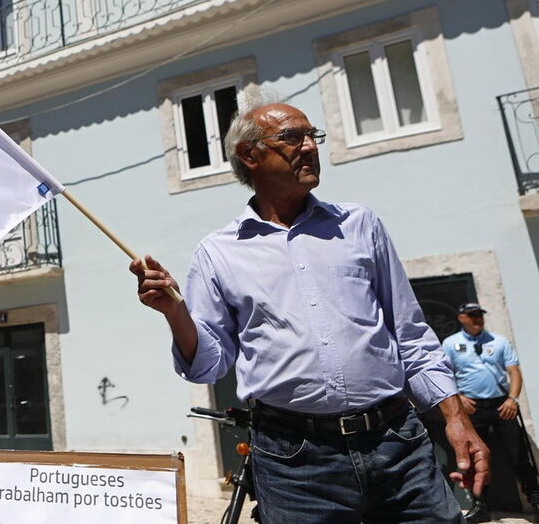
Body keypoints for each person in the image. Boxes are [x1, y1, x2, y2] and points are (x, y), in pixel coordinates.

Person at [130, 94, 489, 522]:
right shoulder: (217, 253)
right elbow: (207, 366)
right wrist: (175, 313)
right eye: (292, 137)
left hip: (397, 444)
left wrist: (455, 418)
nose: (310, 146)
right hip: (294, 464)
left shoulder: (360, 225)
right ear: (250, 155)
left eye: (312, 135)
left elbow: (410, 334)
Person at [442, 303, 539, 512]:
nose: (478, 318)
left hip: (502, 406)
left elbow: (514, 372)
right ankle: (480, 505)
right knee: (476, 457)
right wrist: (459, 398)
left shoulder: (499, 341)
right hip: (472, 408)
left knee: (519, 453)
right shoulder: (450, 343)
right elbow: (444, 375)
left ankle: (535, 499)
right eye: (472, 315)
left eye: (480, 315)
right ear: (461, 318)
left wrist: (513, 399)